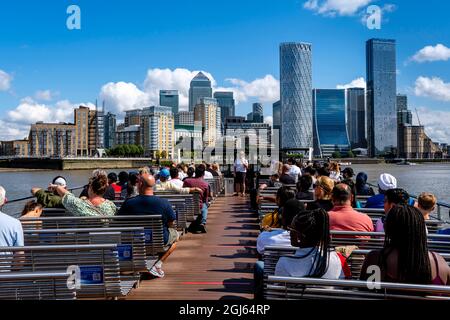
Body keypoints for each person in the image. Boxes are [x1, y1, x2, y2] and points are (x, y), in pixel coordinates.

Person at [360, 205, 450, 285]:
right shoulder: (439, 263)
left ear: (388, 229)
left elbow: (368, 291)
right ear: (421, 229)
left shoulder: (375, 259)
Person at [118, 174, 178, 278]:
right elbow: (171, 222)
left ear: (140, 184)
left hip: (134, 241)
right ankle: (158, 264)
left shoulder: (129, 203)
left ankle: (137, 264)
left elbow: (118, 221)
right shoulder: (164, 203)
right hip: (159, 241)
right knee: (175, 237)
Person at [254, 199, 307, 299]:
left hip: (275, 284)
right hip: (303, 284)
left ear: (283, 218)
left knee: (259, 265)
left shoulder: (268, 237)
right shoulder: (310, 240)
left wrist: (266, 232)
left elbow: (260, 249)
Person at [275, 208, 348, 279]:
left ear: (299, 235)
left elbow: (278, 290)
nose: (290, 233)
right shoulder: (338, 259)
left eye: (291, 229)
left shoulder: (284, 263)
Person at [183, 164, 210, 233]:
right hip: (199, 205)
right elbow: (205, 198)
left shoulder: (187, 181)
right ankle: (203, 222)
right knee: (205, 204)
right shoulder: (205, 184)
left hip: (187, 204)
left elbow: (183, 192)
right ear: (203, 173)